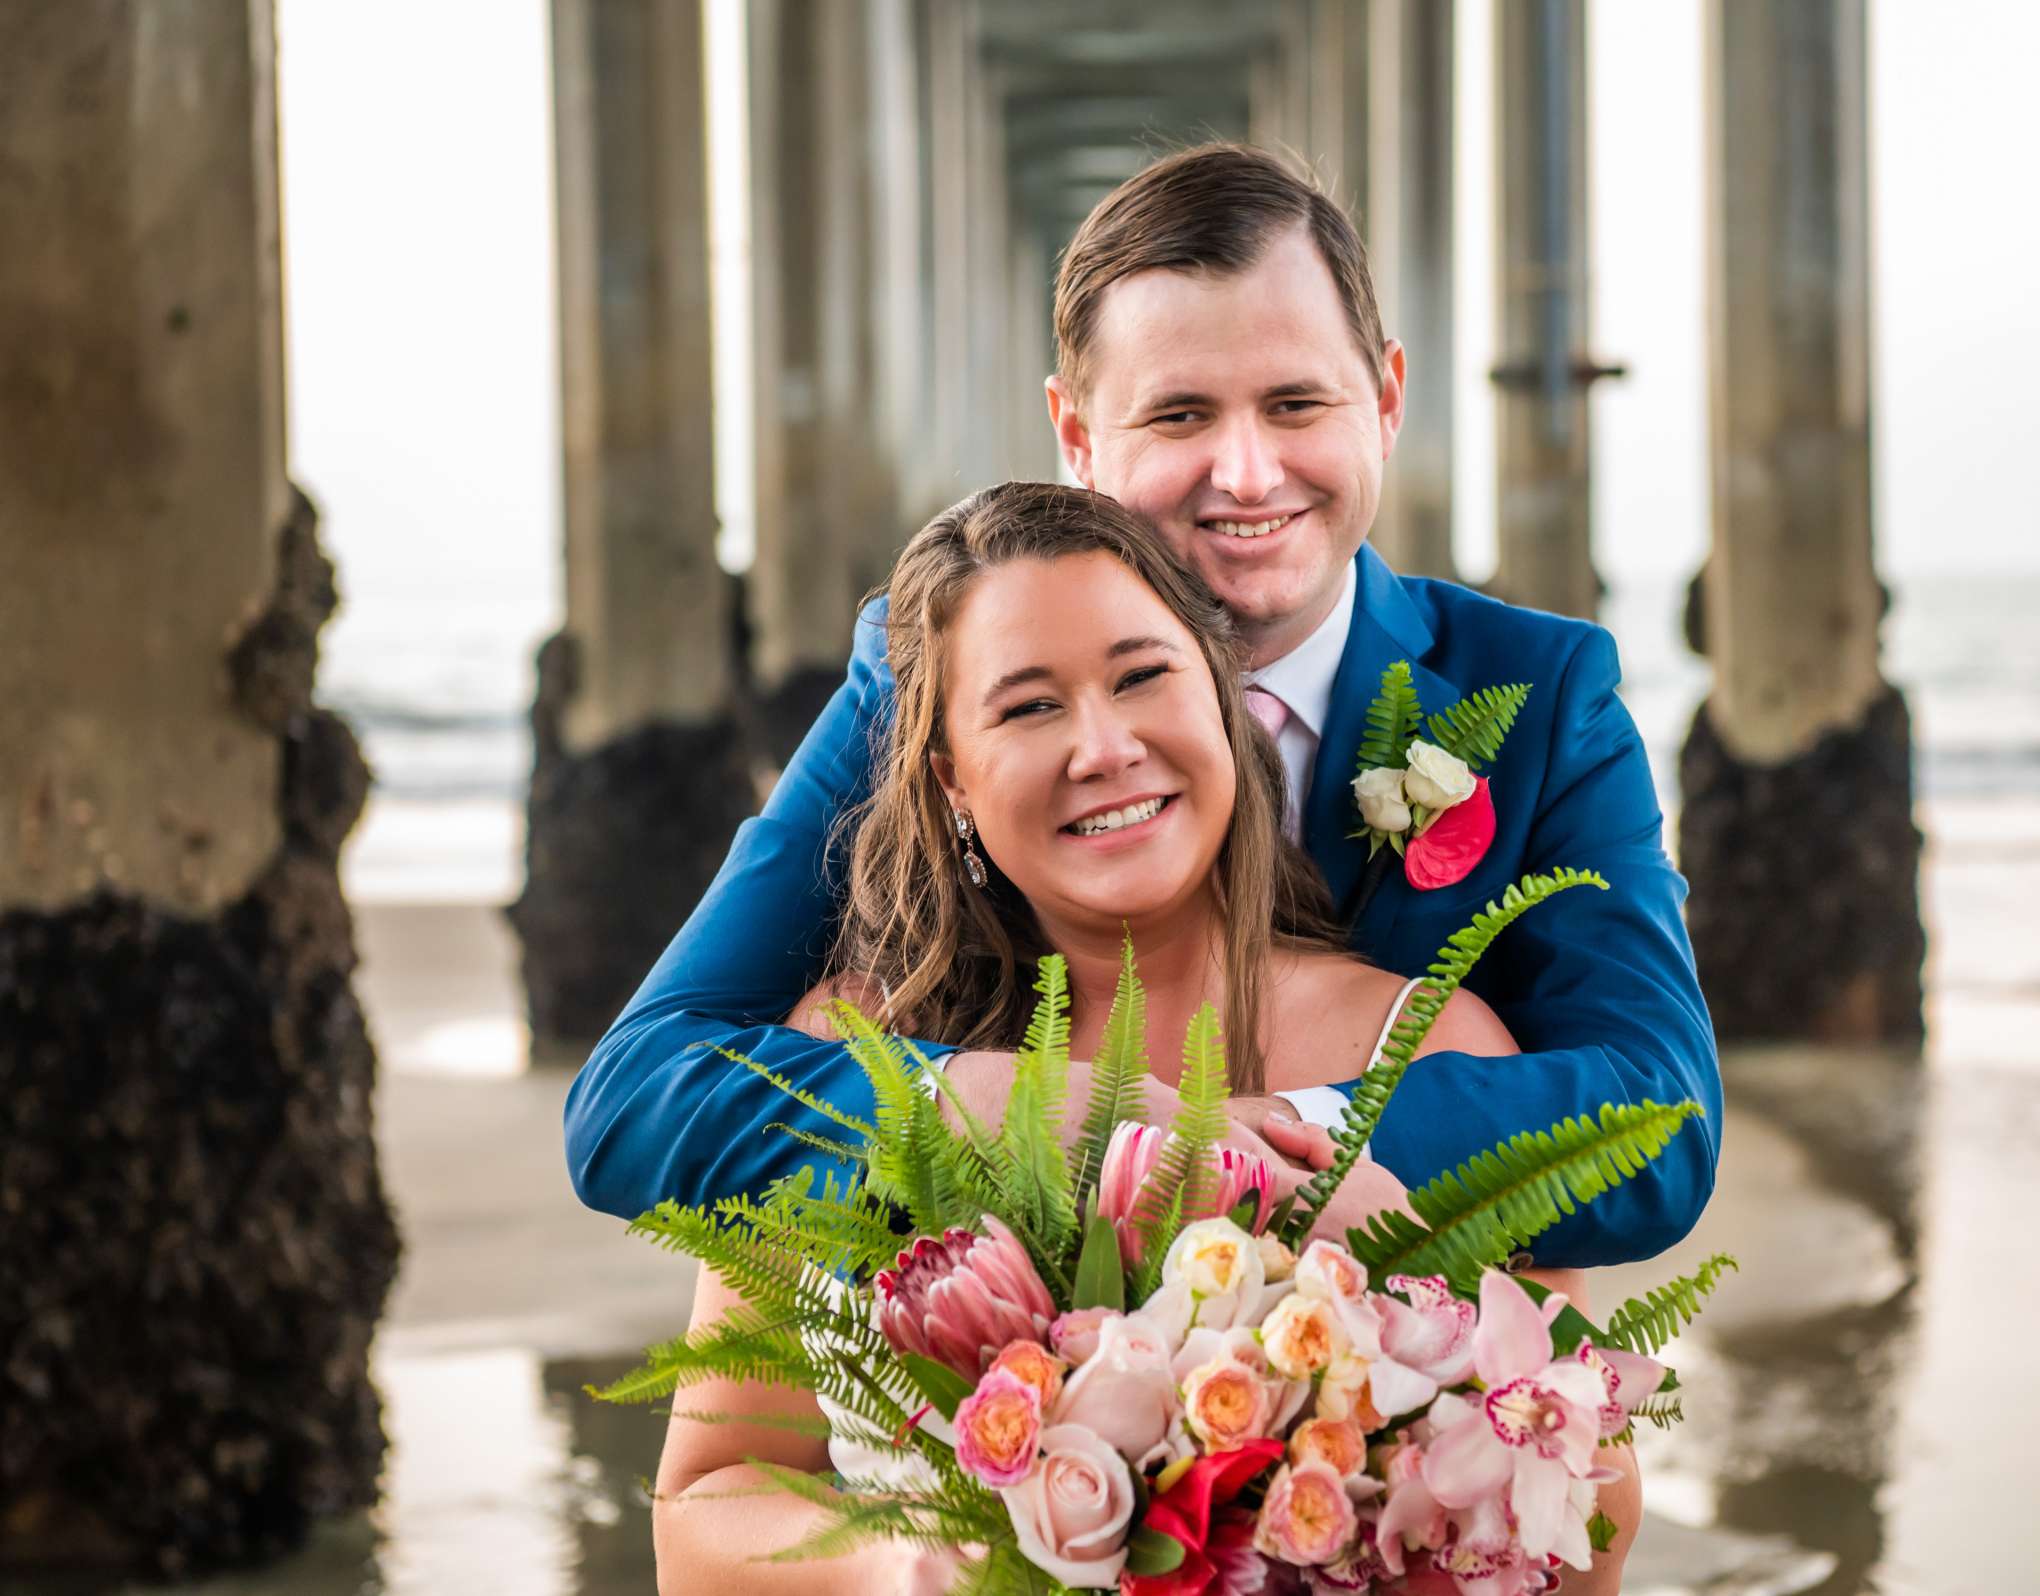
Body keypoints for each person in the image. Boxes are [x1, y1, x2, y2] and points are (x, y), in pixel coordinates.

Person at [564, 140, 1720, 1267]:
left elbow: (1660, 1122)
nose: (1250, 473)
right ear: (1076, 435)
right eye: (1179, 417)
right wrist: (982, 1105)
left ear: (1385, 398)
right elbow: (639, 1095)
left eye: (1296, 403)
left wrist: (1227, 1149)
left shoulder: (1540, 690)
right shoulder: (938, 668)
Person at [651, 483, 1642, 1594]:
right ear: (952, 783)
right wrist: (910, 1568)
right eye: (1028, 708)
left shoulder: (1429, 1043)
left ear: (1224, 699)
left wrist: (1397, 1247)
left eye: (1142, 676)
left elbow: (1591, 1505)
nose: (1104, 746)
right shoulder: (852, 1047)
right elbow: (704, 1499)